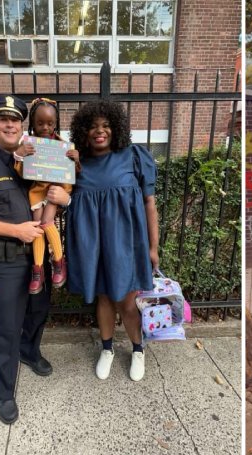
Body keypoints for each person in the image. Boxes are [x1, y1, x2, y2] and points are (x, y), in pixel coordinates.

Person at [0, 95, 69, 424]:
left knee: (39, 312)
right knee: (6, 329)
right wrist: (15, 230)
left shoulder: (43, 155)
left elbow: (59, 191)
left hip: (39, 260)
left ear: (24, 125)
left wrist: (65, 199)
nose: (9, 125)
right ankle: (4, 392)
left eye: (15, 120)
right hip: (5, 263)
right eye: (2, 119)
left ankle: (30, 351)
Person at [66, 100, 159, 382]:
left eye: (106, 125)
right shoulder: (75, 164)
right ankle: (107, 349)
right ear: (83, 130)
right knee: (104, 299)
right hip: (93, 245)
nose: (99, 131)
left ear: (115, 128)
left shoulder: (133, 157)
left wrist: (153, 247)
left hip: (128, 244)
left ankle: (138, 349)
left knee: (127, 302)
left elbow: (149, 203)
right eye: (93, 126)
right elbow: (57, 197)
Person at [12, 97, 80, 294]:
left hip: (55, 188)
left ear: (56, 123)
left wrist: (76, 159)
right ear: (32, 123)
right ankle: (38, 268)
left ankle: (59, 261)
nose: (45, 127)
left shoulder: (63, 145)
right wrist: (19, 154)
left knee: (46, 222)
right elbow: (20, 171)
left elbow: (74, 172)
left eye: (50, 123)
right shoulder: (28, 143)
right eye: (40, 123)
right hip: (37, 189)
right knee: (37, 227)